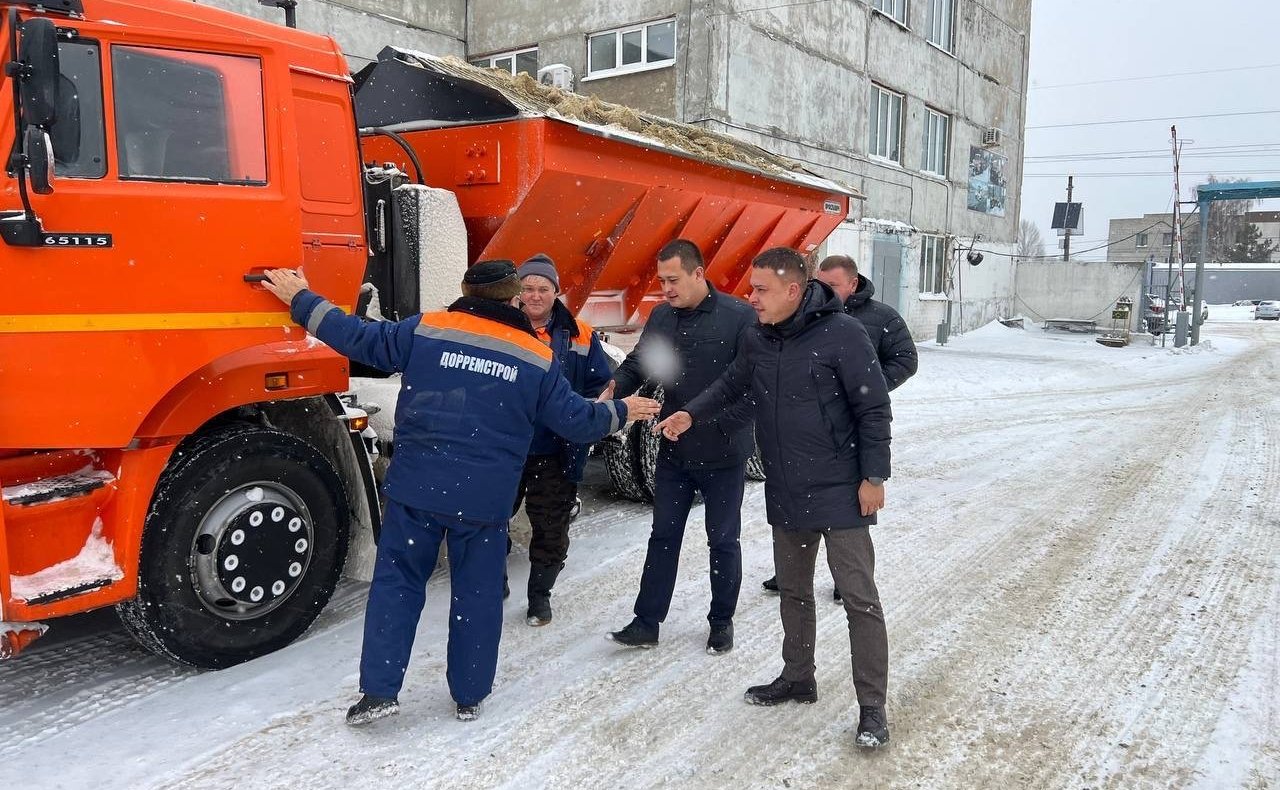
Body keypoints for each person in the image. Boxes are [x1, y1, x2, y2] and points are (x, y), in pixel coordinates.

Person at [259, 262, 659, 727]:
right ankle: (469, 694)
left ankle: (378, 693)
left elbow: (358, 338)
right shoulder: (535, 357)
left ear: (466, 292)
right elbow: (575, 420)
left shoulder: (429, 328)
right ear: (513, 300)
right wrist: (621, 410)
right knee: (478, 594)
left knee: (398, 586)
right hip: (483, 502)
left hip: (417, 490)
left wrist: (302, 299)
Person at [654, 247, 894, 748]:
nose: (751, 297)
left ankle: (872, 708)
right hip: (787, 486)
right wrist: (691, 414)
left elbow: (874, 409)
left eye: (761, 289)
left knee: (859, 599)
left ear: (792, 289)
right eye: (751, 288)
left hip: (843, 488)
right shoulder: (760, 338)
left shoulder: (843, 334)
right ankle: (798, 676)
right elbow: (729, 385)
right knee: (793, 590)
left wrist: (874, 477)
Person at [605, 239, 757, 655]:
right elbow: (641, 362)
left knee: (722, 540)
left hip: (724, 452)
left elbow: (753, 388)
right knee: (663, 536)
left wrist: (716, 423)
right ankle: (646, 621)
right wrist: (614, 388)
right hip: (674, 450)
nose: (666, 288)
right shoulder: (661, 316)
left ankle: (721, 622)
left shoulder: (739, 317)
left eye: (673, 280)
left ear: (697, 273)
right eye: (661, 280)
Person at [760, 253, 917, 600]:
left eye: (833, 285)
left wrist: (867, 387)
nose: (824, 289)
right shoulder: (808, 318)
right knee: (805, 510)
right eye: (821, 282)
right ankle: (791, 573)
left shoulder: (881, 317)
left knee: (849, 513)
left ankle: (847, 581)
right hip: (814, 432)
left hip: (856, 426)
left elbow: (906, 359)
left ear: (853, 283)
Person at [512, 253, 613, 626]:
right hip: (507, 446)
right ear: (517, 292)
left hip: (556, 449)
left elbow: (600, 384)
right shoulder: (503, 328)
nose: (535, 296)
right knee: (490, 519)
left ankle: (540, 597)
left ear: (556, 292)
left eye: (543, 288)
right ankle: (494, 582)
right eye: (527, 288)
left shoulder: (579, 334)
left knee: (551, 524)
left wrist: (580, 419)